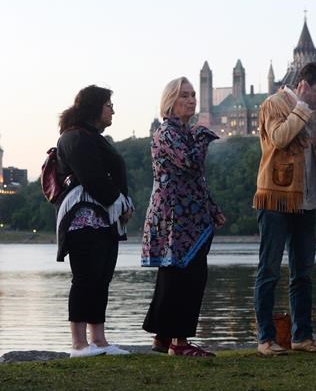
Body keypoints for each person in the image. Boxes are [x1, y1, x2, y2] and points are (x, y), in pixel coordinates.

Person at [253, 62, 316, 356]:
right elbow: (279, 138)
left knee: (302, 273)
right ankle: (266, 339)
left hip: (308, 199)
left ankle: (302, 336)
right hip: (277, 198)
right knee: (269, 271)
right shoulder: (273, 104)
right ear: (303, 85)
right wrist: (302, 106)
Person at [141, 76, 226, 357]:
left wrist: (212, 209)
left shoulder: (184, 132)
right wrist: (203, 136)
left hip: (190, 215)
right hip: (175, 217)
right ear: (170, 102)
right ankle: (179, 342)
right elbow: (191, 162)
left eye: (192, 95)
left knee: (179, 274)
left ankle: (163, 337)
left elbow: (195, 179)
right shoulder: (167, 132)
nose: (191, 100)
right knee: (186, 276)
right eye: (184, 96)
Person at [55, 85, 134, 358]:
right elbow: (93, 177)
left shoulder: (92, 137)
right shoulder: (74, 137)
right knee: (85, 278)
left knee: (101, 279)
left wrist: (122, 202)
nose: (112, 110)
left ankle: (99, 340)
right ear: (94, 107)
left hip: (104, 219)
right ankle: (79, 344)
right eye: (108, 105)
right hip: (82, 219)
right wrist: (121, 202)